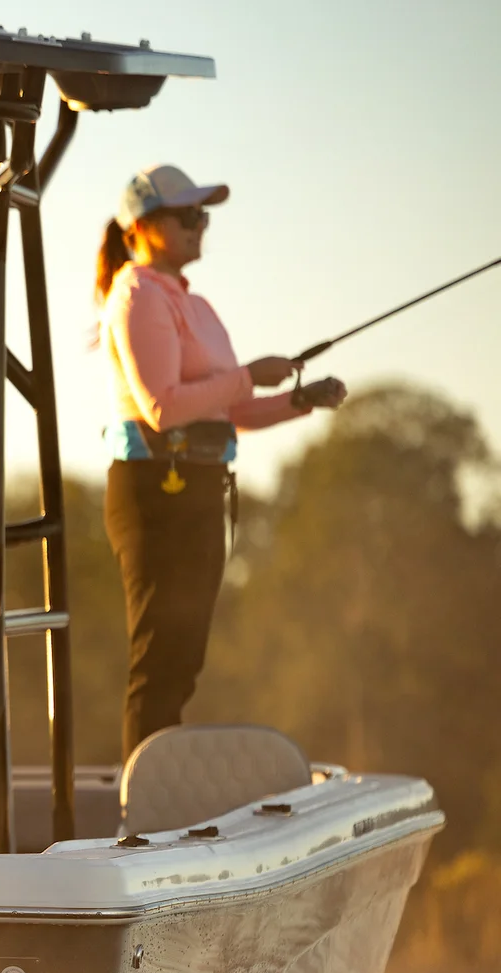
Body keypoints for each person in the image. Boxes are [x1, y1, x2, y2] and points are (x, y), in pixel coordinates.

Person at [98, 164, 347, 760]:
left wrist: (297, 401)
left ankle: (158, 806)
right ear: (146, 225)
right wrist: (246, 376)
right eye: (188, 215)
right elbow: (163, 408)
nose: (199, 226)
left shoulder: (195, 304)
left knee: (184, 658)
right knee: (158, 659)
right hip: (155, 490)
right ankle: (145, 819)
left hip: (199, 488)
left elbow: (230, 410)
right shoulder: (135, 294)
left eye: (202, 215)